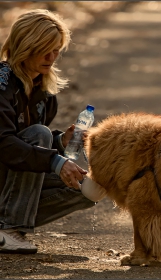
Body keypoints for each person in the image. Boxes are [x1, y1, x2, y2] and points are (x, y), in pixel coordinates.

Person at [0, 9, 105, 254]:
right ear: (24, 46)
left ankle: (9, 227)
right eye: (43, 48)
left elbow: (25, 143)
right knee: (40, 133)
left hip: (10, 179)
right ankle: (8, 229)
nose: (51, 56)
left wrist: (60, 141)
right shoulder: (2, 83)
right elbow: (4, 143)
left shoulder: (45, 92)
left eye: (56, 49)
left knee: (86, 189)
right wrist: (54, 159)